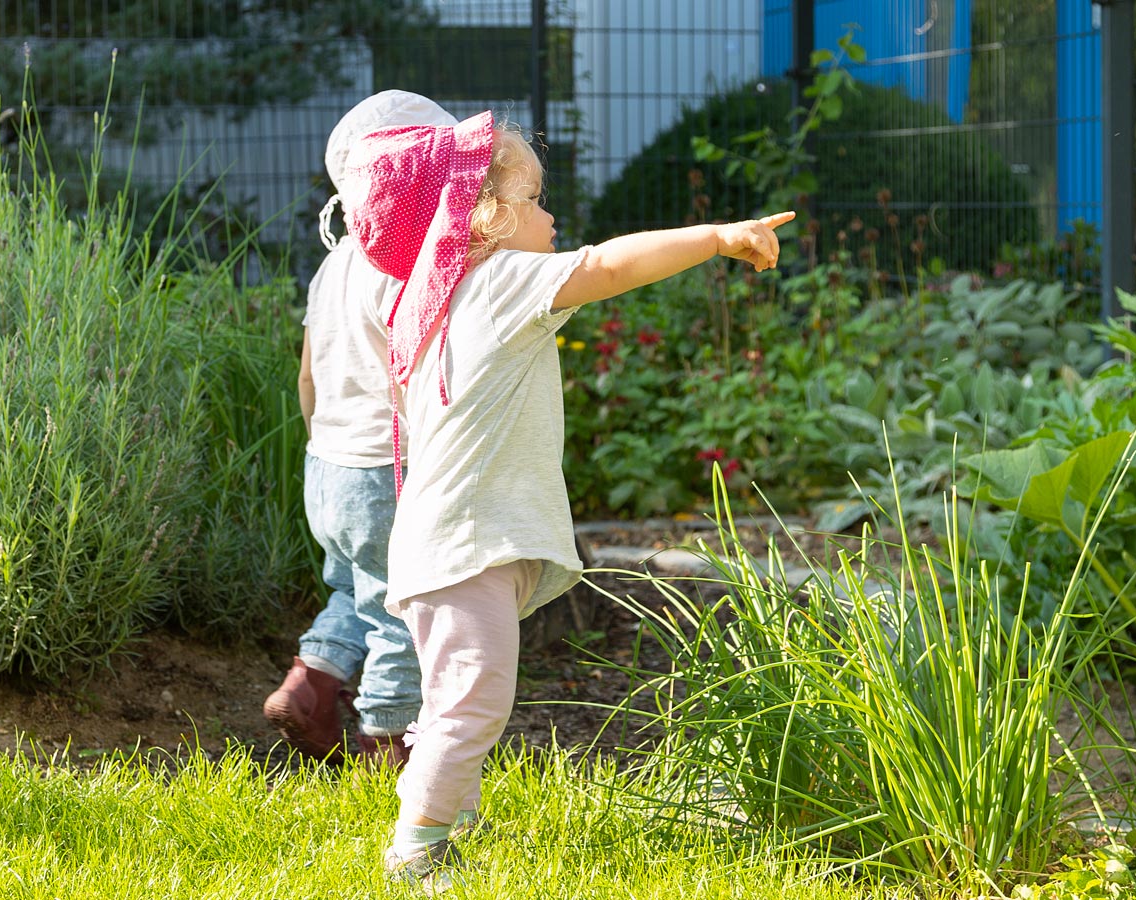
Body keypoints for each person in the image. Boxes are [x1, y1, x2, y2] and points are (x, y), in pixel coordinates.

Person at [340, 110, 790, 889]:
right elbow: (609, 265)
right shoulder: (497, 283)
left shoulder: (437, 298)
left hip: (451, 542)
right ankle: (416, 847)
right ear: (485, 217)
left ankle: (446, 807)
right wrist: (719, 235)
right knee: (476, 697)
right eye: (537, 198)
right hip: (463, 545)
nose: (552, 217)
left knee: (465, 694)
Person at [261, 91, 458, 764]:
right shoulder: (405, 267)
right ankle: (390, 743)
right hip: (387, 471)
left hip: (329, 467)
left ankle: (309, 686)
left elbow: (307, 377)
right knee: (402, 608)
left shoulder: (332, 265)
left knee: (355, 590)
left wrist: (323, 448)